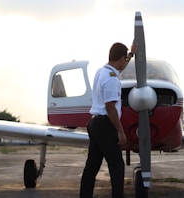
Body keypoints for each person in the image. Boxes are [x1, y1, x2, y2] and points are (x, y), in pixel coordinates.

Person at [80, 42, 136, 198]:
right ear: (120, 59)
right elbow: (110, 107)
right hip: (106, 125)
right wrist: (120, 132)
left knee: (91, 167)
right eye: (125, 60)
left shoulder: (101, 72)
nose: (125, 63)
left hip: (95, 123)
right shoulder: (112, 79)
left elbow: (120, 65)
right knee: (117, 166)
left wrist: (130, 54)